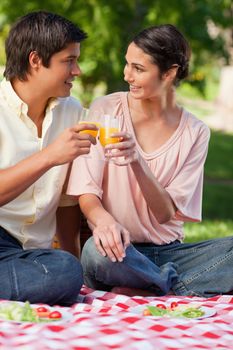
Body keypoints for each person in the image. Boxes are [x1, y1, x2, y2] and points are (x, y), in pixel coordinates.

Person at [67, 24, 233, 297]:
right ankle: (171, 285)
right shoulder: (106, 109)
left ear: (169, 73)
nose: (127, 75)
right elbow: (87, 192)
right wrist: (104, 221)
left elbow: (165, 214)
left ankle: (151, 285)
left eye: (138, 69)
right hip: (117, 251)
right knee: (95, 256)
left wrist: (137, 162)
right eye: (127, 64)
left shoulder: (195, 132)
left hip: (170, 252)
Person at [0, 10, 98, 306]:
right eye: (69, 60)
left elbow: (66, 202)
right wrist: (49, 156)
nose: (77, 70)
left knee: (66, 272)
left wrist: (74, 268)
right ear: (35, 60)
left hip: (29, 256)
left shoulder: (72, 111)